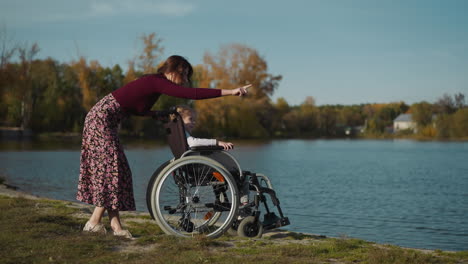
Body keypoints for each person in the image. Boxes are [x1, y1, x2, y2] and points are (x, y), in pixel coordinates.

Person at [76, 55, 250, 238]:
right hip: (100, 120)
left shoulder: (153, 84)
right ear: (177, 70)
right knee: (113, 171)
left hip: (103, 120)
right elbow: (194, 94)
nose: (185, 81)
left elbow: (138, 110)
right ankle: (95, 222)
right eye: (185, 76)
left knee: (119, 172)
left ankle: (112, 226)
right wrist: (231, 92)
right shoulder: (156, 82)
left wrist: (160, 113)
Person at [176, 105, 250, 206]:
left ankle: (223, 200)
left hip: (195, 167)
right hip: (200, 167)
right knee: (241, 175)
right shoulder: (184, 134)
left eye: (194, 120)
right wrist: (217, 143)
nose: (194, 122)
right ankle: (244, 204)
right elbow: (193, 143)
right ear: (180, 120)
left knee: (222, 174)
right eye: (190, 119)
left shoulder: (179, 134)